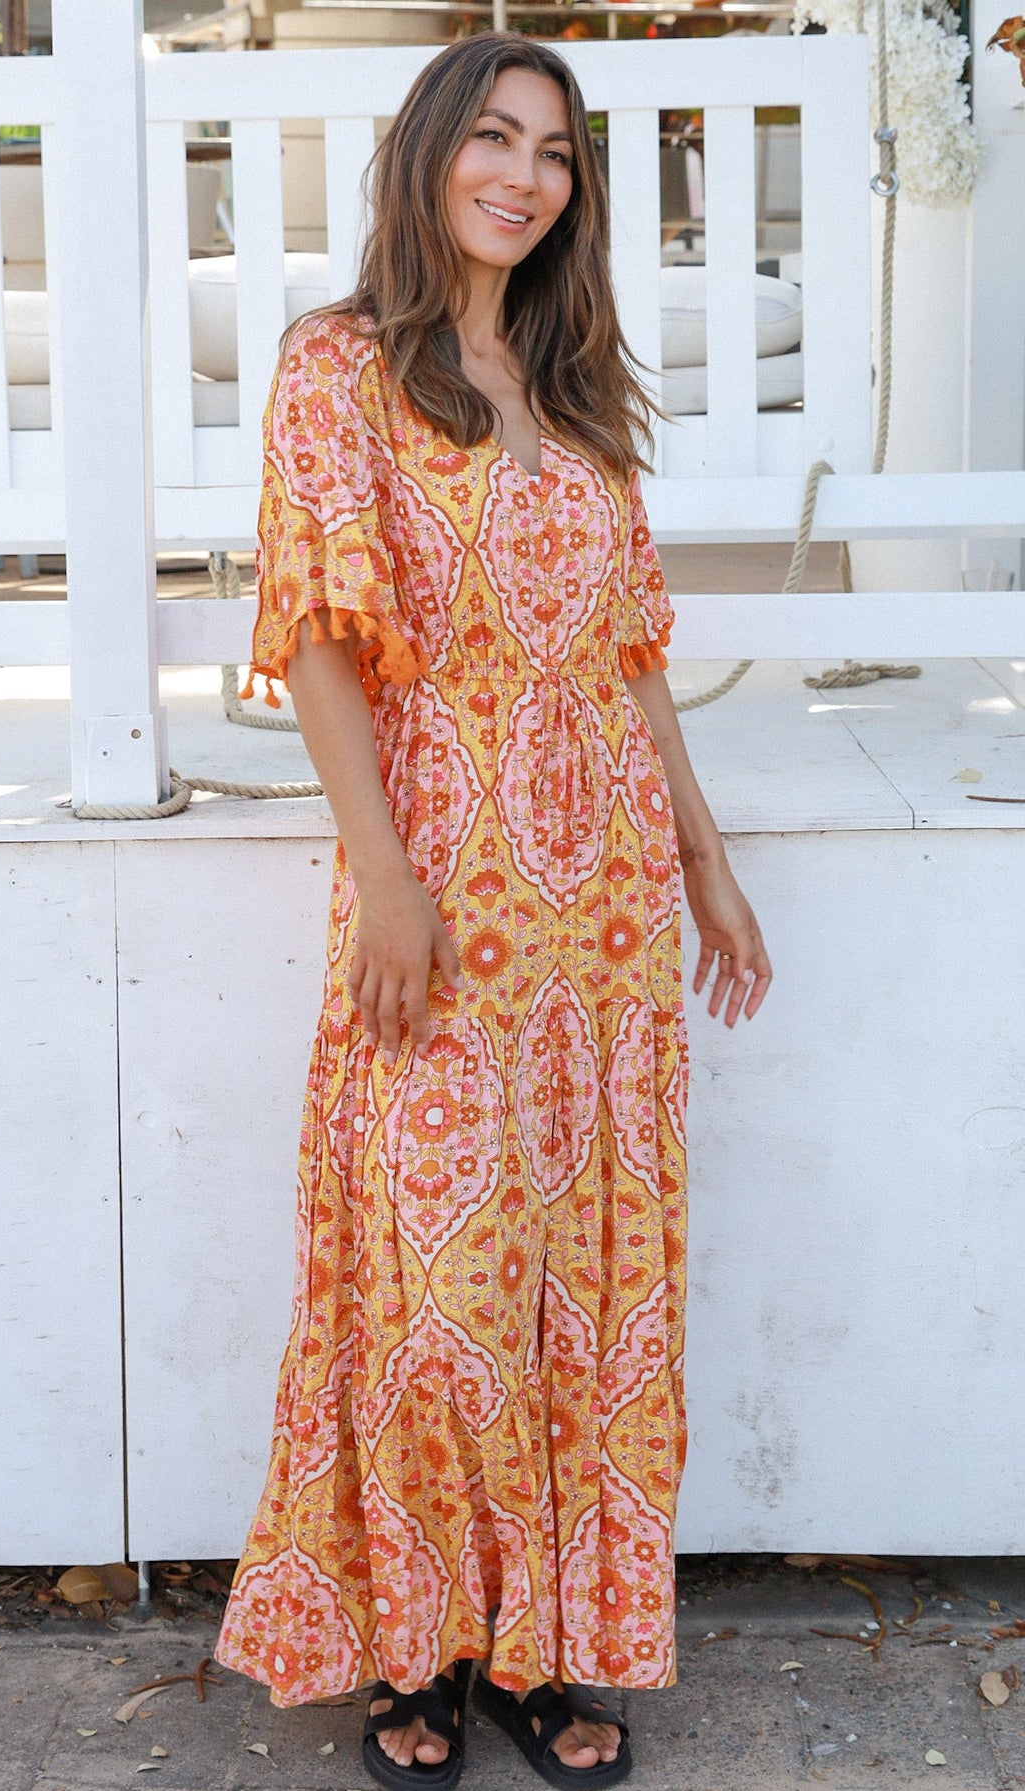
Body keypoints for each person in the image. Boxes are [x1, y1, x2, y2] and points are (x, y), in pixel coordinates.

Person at [214, 31, 772, 1789]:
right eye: (497, 139)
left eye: (557, 153)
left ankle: (543, 1650)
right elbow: (312, 634)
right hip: (441, 894)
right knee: (435, 1278)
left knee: (580, 1290)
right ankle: (421, 1643)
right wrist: (383, 877)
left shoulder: (573, 387)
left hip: (600, 927)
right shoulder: (336, 369)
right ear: (432, 150)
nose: (524, 176)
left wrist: (701, 857)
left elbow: (633, 662)